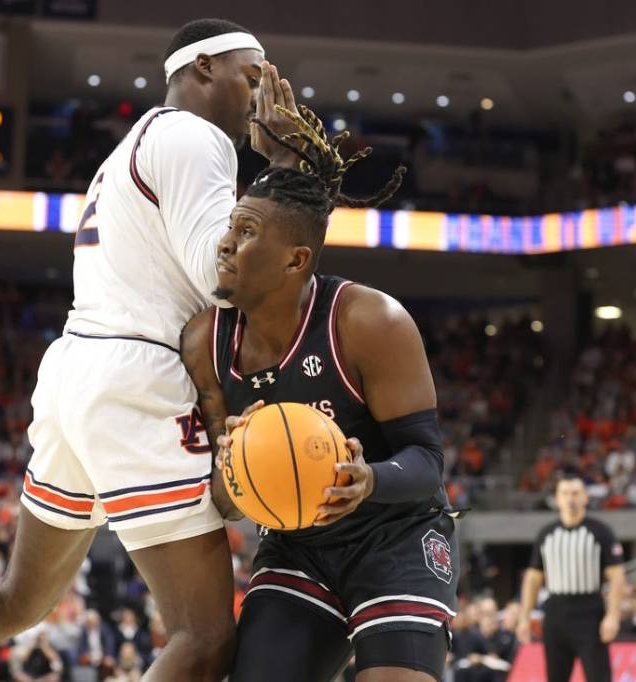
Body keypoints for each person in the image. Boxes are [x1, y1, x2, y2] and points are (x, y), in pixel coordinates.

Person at [0, 18, 301, 682]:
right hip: (136, 378)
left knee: (17, 600)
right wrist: (283, 176)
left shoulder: (132, 145)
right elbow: (220, 281)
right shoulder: (197, 140)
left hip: (77, 366)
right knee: (203, 636)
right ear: (201, 69)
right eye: (251, 75)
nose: (263, 94)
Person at [181, 104, 456, 682]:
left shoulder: (369, 320)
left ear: (296, 260)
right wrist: (230, 469)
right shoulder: (205, 339)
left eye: (246, 232)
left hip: (395, 535)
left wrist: (369, 480)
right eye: (231, 226)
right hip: (297, 544)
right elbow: (227, 504)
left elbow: (428, 462)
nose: (225, 243)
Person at [516, 475, 626, 682]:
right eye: (565, 493)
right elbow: (533, 579)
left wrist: (613, 616)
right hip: (556, 613)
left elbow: (617, 577)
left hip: (590, 612)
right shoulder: (546, 534)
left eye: (575, 493)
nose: (570, 499)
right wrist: (524, 617)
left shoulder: (600, 531)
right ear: (557, 498)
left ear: (585, 497)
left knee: (599, 677)